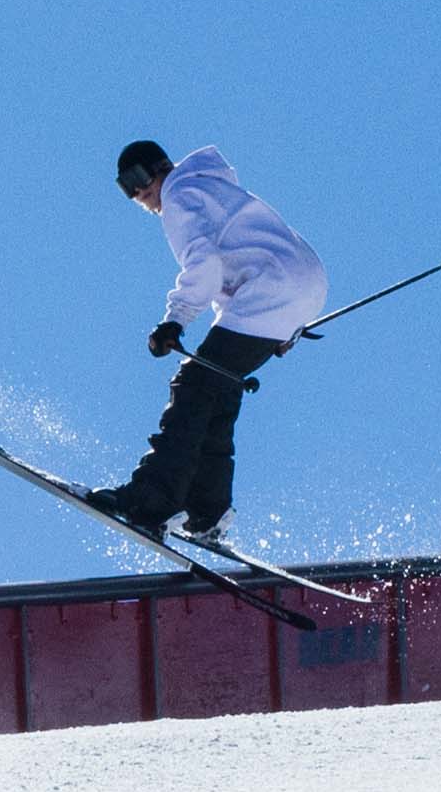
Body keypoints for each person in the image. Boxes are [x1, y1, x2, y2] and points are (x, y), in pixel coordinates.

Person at [90, 140, 328, 541]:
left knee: (193, 385)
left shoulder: (180, 194)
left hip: (273, 290)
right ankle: (208, 509)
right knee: (218, 386)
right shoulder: (211, 188)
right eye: (127, 190)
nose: (140, 196)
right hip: (300, 286)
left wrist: (175, 321)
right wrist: (287, 327)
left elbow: (204, 264)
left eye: (139, 181)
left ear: (160, 168)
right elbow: (235, 275)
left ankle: (152, 499)